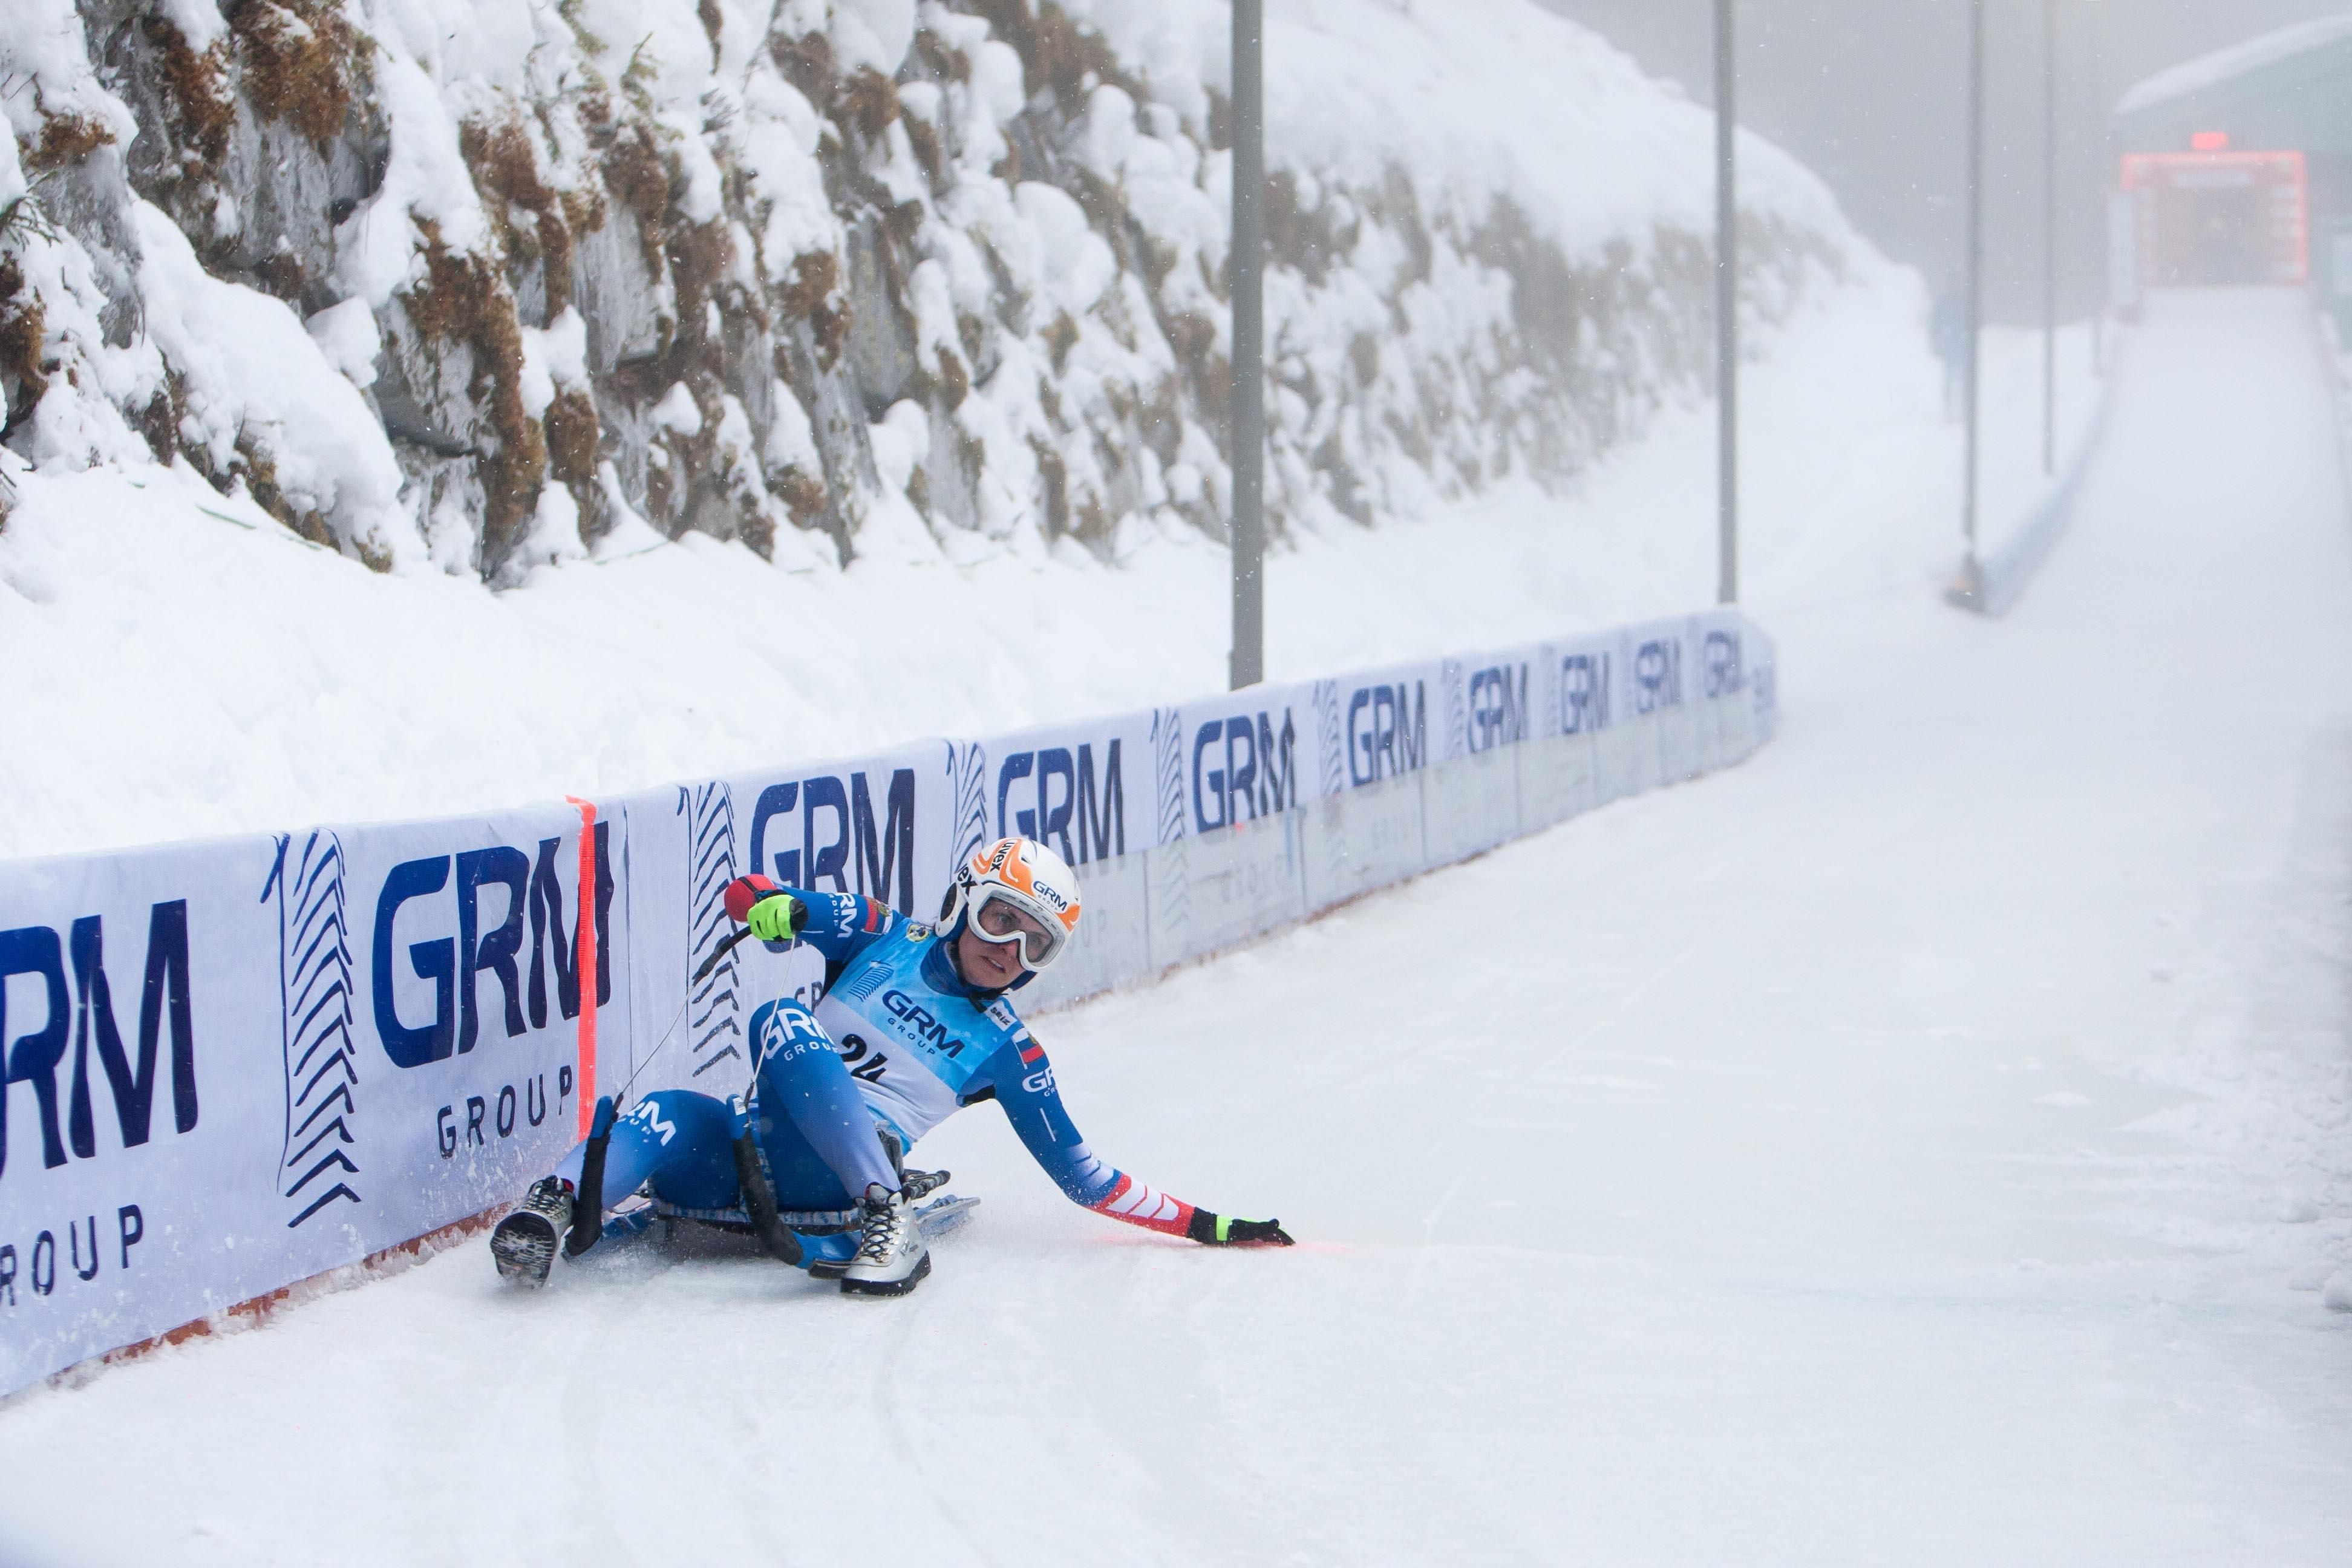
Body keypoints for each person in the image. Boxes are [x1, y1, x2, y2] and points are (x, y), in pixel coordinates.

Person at [490, 836, 1294, 1296]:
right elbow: (766, 898)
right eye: (997, 919)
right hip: (743, 1147)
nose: (1005, 950)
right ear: (961, 902)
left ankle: (887, 1216)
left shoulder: (1014, 1054)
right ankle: (554, 1208)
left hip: (830, 1179)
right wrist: (766, 905)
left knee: (781, 1020)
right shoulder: (884, 934)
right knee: (668, 1108)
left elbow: (1085, 1175)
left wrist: (1206, 1225)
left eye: (1032, 943)